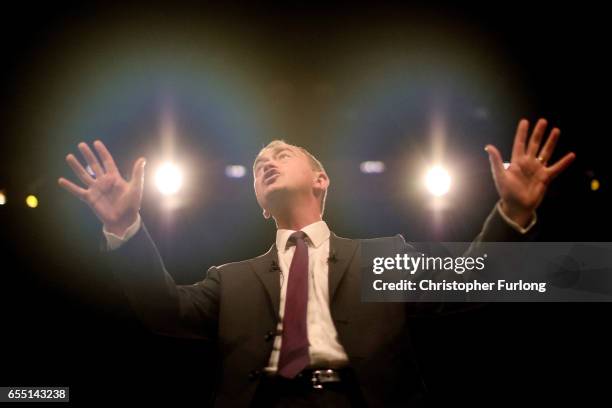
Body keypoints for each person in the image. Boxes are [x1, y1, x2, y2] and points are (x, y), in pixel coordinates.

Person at [58, 118, 575, 407]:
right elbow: (163, 310)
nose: (266, 162)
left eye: (282, 155)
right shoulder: (230, 279)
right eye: (260, 164)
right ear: (261, 203)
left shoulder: (382, 257)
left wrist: (511, 212)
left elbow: (475, 282)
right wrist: (124, 229)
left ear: (321, 180)